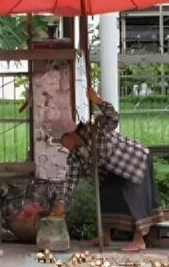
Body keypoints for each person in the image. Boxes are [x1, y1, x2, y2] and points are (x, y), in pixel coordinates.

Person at [54, 87, 162, 252]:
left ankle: (139, 240)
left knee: (135, 201)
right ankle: (105, 235)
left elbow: (113, 117)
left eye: (62, 141)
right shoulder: (76, 154)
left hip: (134, 162)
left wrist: (97, 101)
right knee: (106, 196)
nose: (63, 145)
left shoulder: (95, 128)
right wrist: (62, 203)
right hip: (112, 170)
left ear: (70, 134)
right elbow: (71, 179)